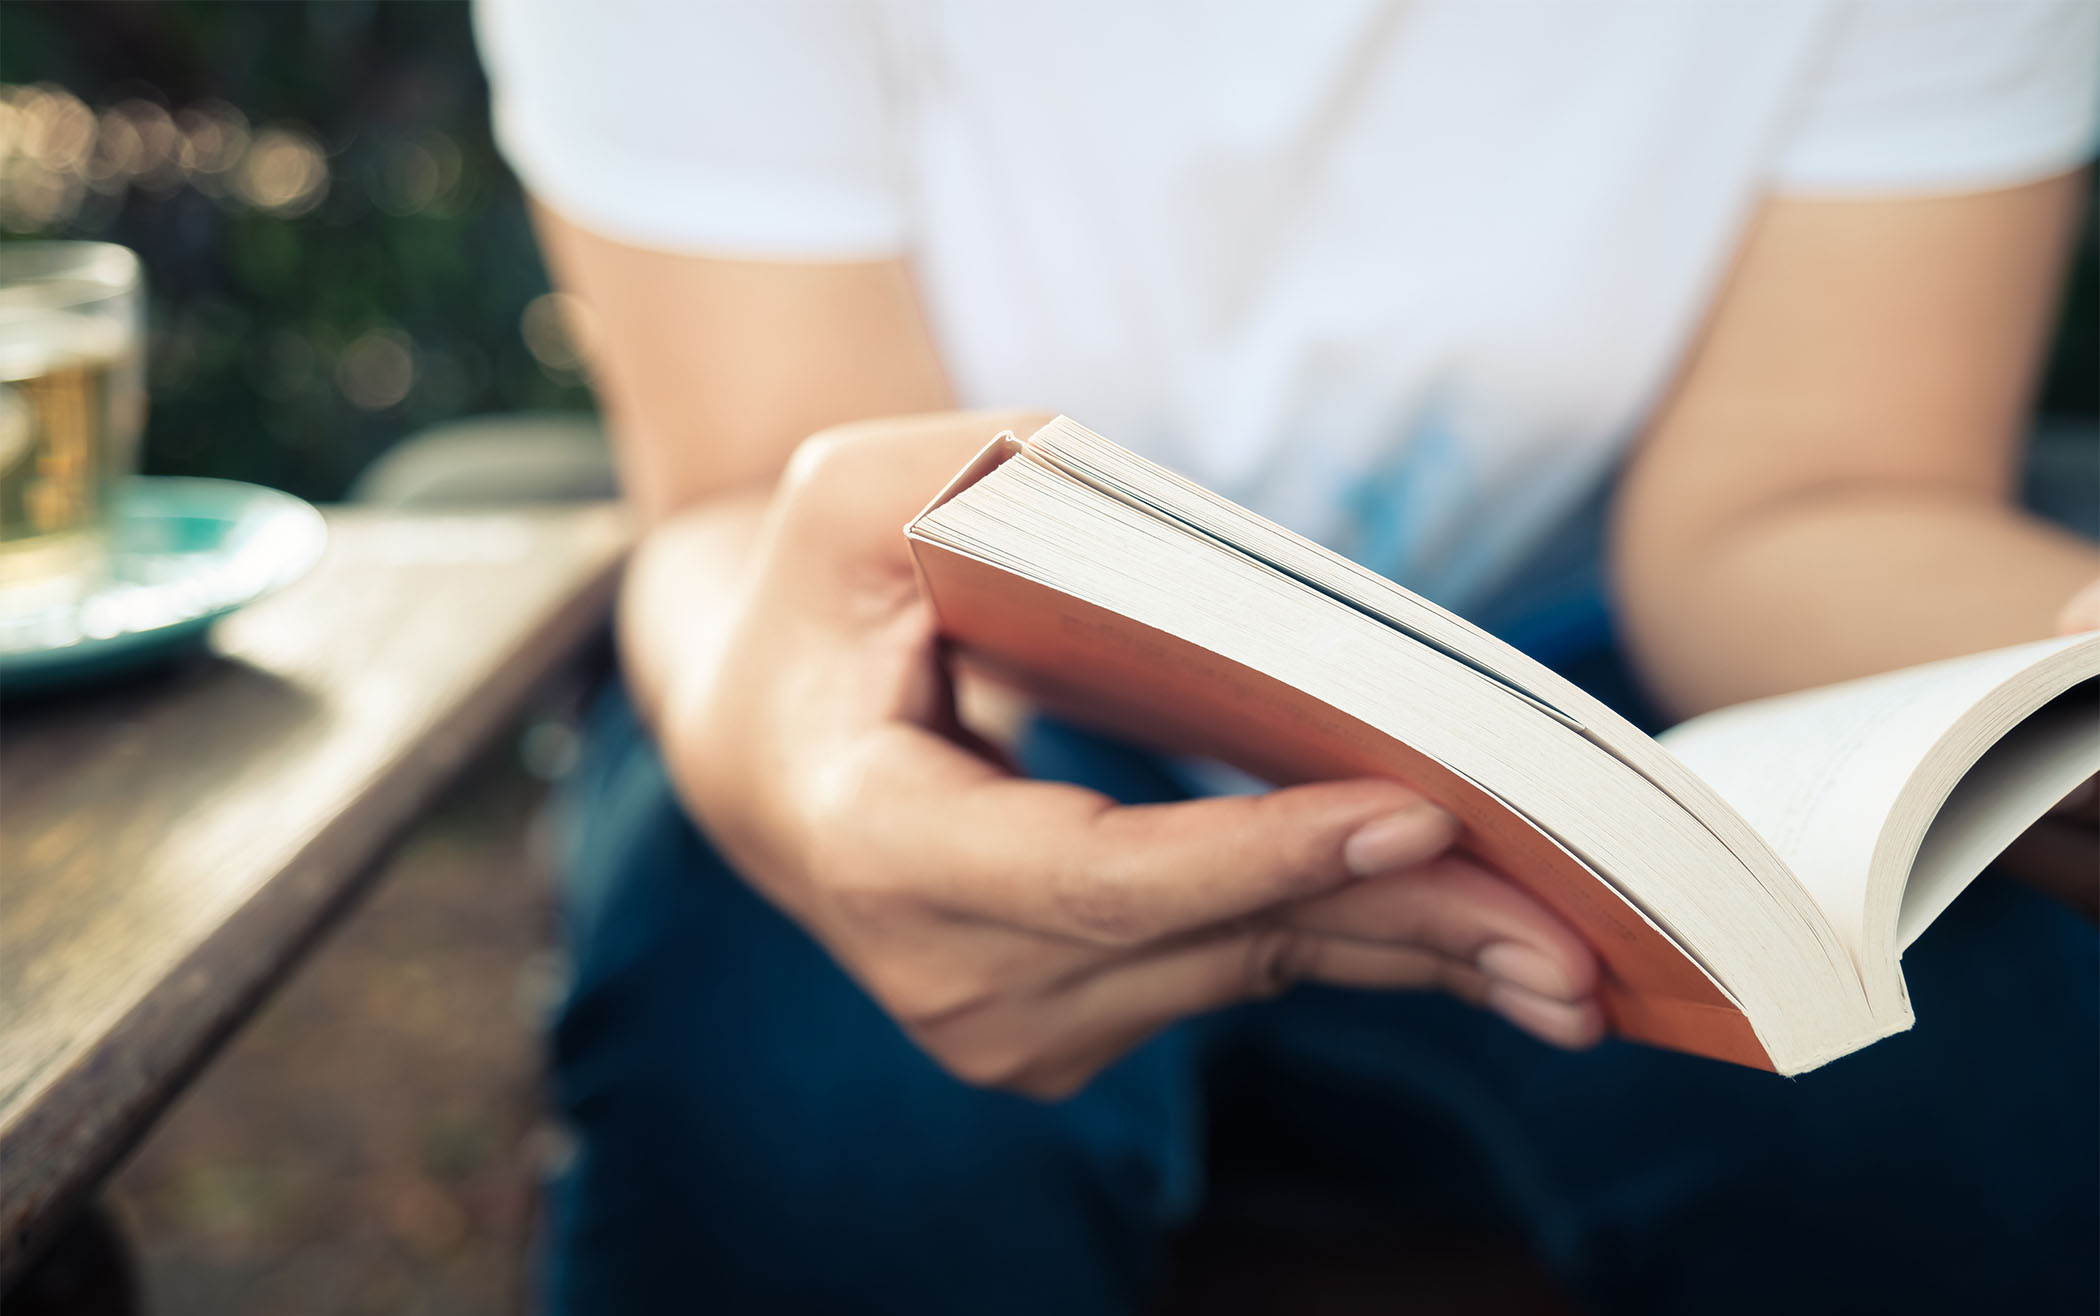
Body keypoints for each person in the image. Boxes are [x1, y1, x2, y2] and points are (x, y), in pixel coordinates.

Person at [472, 2, 2100, 1311]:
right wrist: (813, 781)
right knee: (806, 1102)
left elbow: (1811, 498)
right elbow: (762, 487)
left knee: (1976, 1100)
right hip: (978, 668)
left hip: (1603, 705)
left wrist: (2051, 675)